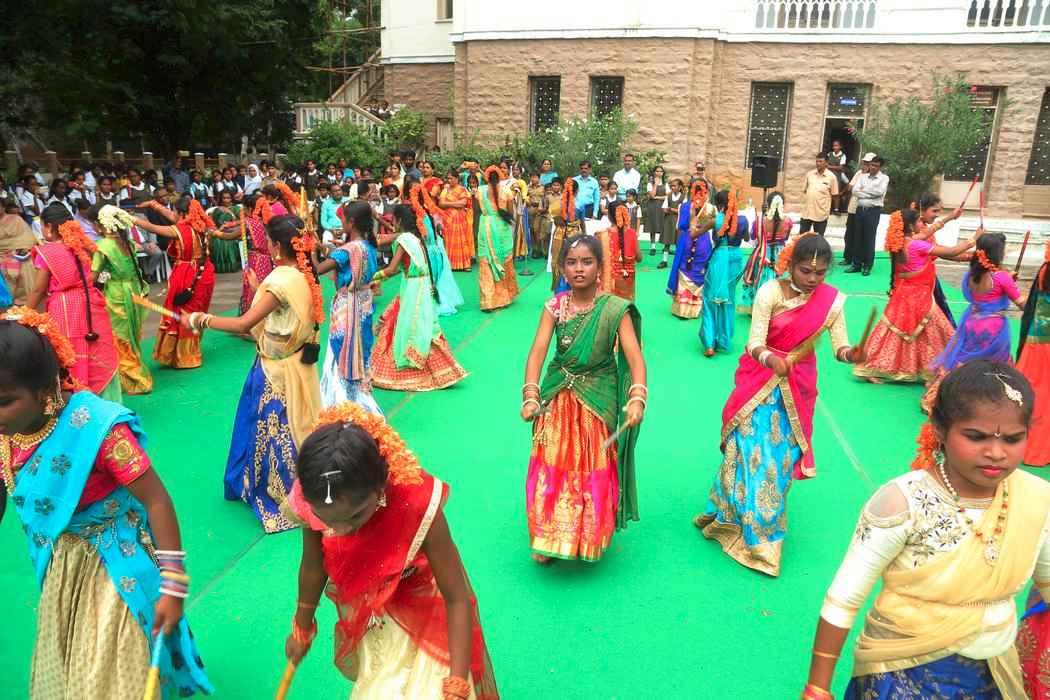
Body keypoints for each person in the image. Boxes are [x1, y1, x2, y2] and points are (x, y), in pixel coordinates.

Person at [802, 361, 1050, 699]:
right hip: (900, 672)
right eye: (975, 437)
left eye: (1013, 439)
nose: (996, 453)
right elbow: (844, 598)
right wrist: (818, 687)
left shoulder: (1036, 498)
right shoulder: (902, 502)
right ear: (940, 430)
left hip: (993, 674)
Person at [0, 309, 213, 698]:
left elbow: (157, 500)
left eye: (4, 401)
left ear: (45, 391)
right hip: (61, 566)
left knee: (111, 665)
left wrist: (173, 584)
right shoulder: (9, 430)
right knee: (74, 659)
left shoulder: (98, 430)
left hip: (114, 562)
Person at [281, 403, 500, 699]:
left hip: (429, 611)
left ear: (381, 488)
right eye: (330, 521)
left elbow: (457, 599)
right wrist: (302, 626)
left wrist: (457, 683)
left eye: (355, 516)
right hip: (378, 621)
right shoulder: (318, 496)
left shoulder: (417, 503)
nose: (342, 530)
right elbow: (313, 565)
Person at [695, 234, 864, 576]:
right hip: (759, 383)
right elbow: (754, 342)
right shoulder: (770, 292)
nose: (813, 279)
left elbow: (840, 348)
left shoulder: (831, 302)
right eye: (805, 271)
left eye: (820, 273)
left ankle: (757, 528)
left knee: (779, 463)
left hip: (797, 389)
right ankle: (745, 530)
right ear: (791, 265)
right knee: (748, 453)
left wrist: (853, 355)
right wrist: (772, 359)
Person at [182, 214, 323, 533]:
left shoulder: (280, 281)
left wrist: (200, 319)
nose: (267, 247)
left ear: (277, 246)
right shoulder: (302, 274)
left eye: (269, 242)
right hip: (295, 363)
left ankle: (282, 494)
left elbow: (244, 324)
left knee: (274, 430)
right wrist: (259, 289)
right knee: (294, 426)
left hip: (276, 370)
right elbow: (284, 311)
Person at [521, 234, 645, 563]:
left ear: (599, 267)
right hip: (557, 395)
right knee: (553, 464)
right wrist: (531, 394)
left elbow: (635, 358)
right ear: (562, 268)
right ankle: (550, 538)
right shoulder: (554, 307)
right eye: (572, 262)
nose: (579, 269)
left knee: (591, 465)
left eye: (587, 262)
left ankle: (587, 538)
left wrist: (637, 397)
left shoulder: (615, 309)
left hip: (597, 398)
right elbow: (537, 352)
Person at [854, 200, 973, 384]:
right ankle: (936, 370)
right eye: (918, 221)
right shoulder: (917, 245)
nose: (922, 224)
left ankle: (873, 366)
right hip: (919, 297)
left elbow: (926, 232)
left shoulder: (902, 242)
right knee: (936, 330)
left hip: (905, 294)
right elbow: (951, 252)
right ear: (910, 226)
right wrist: (974, 240)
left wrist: (950, 217)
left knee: (895, 332)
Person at [921, 232, 1025, 413]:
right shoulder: (1001, 278)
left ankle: (950, 394)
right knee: (991, 365)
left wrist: (1007, 281)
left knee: (966, 361)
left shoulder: (971, 274)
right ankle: (985, 400)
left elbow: (984, 291)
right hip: (993, 329)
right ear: (998, 253)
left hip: (971, 322)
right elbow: (1022, 303)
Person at [27, 204, 121, 400]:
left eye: (42, 226)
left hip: (65, 307)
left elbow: (38, 289)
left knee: (69, 352)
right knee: (95, 348)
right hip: (89, 301)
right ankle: (106, 402)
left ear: (49, 226)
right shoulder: (82, 245)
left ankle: (77, 401)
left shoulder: (49, 252)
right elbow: (96, 274)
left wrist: (24, 312)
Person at [369, 204, 468, 391]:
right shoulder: (415, 239)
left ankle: (413, 370)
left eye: (393, 220)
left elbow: (391, 269)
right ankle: (441, 370)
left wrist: (370, 279)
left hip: (413, 290)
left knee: (411, 328)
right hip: (421, 286)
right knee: (424, 326)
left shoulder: (404, 239)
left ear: (399, 220)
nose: (392, 224)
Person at [130, 197, 217, 369]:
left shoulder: (181, 230)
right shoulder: (201, 225)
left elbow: (154, 228)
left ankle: (186, 357)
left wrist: (131, 219)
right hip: (205, 274)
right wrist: (154, 205)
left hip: (187, 274)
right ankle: (187, 353)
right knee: (195, 311)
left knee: (182, 311)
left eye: (175, 211)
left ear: (182, 213)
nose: (173, 214)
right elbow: (171, 216)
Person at [314, 201, 382, 414]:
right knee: (361, 348)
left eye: (342, 220)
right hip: (364, 302)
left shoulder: (348, 249)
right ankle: (359, 398)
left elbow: (318, 269)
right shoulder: (369, 245)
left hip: (348, 305)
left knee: (341, 349)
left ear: (351, 222)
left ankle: (344, 404)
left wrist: (312, 251)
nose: (340, 223)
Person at [92, 205, 154, 395]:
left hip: (117, 294)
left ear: (102, 224)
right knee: (130, 335)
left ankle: (136, 379)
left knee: (120, 337)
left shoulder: (103, 245)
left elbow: (93, 276)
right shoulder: (127, 242)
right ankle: (131, 375)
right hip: (133, 290)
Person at [700, 190, 748, 356]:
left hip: (719, 258)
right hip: (736, 259)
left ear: (719, 205)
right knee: (728, 299)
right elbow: (746, 238)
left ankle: (709, 343)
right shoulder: (743, 220)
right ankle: (724, 341)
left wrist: (693, 218)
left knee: (710, 299)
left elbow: (694, 233)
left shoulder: (715, 220)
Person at [406, 177, 464, 316]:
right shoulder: (418, 211)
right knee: (432, 279)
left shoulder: (423, 211)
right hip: (430, 250)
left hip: (429, 250)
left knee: (432, 279)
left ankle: (432, 302)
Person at [1016, 245, 1050, 467]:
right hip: (1042, 344)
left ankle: (1021, 443)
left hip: (1036, 342)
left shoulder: (1045, 267)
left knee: (1034, 391)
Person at [666, 181, 715, 319]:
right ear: (706, 192)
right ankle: (697, 308)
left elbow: (680, 226)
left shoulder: (684, 206)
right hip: (703, 242)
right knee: (700, 270)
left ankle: (683, 308)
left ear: (690, 191)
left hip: (686, 240)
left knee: (684, 268)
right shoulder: (711, 208)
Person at [475, 166, 520, 311]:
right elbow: (511, 212)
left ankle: (488, 301)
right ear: (500, 177)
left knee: (486, 261)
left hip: (484, 227)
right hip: (501, 228)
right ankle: (504, 298)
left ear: (486, 178)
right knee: (503, 260)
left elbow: (477, 211)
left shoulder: (480, 190)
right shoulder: (506, 191)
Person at [739, 192, 792, 314]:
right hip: (780, 254)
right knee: (780, 280)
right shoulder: (788, 221)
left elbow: (753, 238)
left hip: (763, 253)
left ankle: (760, 309)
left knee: (761, 279)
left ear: (768, 204)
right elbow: (785, 238)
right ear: (783, 204)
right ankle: (778, 309)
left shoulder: (760, 221)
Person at [847, 154, 890, 276]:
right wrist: (869, 193)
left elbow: (879, 192)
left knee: (869, 239)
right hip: (860, 210)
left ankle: (867, 265)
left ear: (880, 167)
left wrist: (863, 191)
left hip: (873, 211)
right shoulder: (863, 176)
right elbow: (854, 191)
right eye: (871, 165)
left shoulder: (884, 178)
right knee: (858, 237)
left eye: (876, 166)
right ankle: (856, 264)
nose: (873, 167)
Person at [600, 200, 641, 301]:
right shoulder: (632, 233)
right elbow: (639, 258)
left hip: (609, 281)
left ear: (609, 216)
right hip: (627, 279)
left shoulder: (602, 235)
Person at [546, 178, 581, 293]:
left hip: (559, 236)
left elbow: (555, 220)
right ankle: (574, 290)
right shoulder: (580, 205)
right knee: (574, 261)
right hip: (574, 236)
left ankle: (560, 291)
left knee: (559, 261)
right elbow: (582, 222)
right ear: (577, 191)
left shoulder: (556, 204)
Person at [0, 205, 38, 305]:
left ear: (3, 207)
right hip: (1, 254)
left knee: (25, 263)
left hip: (19, 252)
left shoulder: (16, 219)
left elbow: (27, 237)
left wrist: (21, 249)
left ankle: (26, 300)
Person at [439, 170, 475, 271]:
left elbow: (463, 204)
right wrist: (455, 204)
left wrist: (448, 204)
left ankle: (465, 264)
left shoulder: (462, 189)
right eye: (448, 178)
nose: (449, 180)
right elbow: (441, 204)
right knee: (449, 241)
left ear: (457, 178)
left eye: (451, 178)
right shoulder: (445, 190)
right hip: (448, 219)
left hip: (460, 219)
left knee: (462, 241)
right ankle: (450, 265)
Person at [838, 160, 870, 268]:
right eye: (863, 163)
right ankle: (848, 258)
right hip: (852, 208)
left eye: (867, 164)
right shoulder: (859, 173)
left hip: (863, 209)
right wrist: (858, 190)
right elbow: (850, 187)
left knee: (860, 236)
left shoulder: (873, 178)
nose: (864, 166)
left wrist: (858, 190)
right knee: (849, 235)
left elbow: (868, 192)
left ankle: (859, 260)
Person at [799, 153, 839, 236]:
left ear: (826, 163)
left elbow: (835, 195)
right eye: (817, 161)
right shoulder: (809, 174)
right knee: (802, 237)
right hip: (807, 213)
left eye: (820, 161)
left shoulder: (831, 177)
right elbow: (805, 191)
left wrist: (835, 209)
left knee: (818, 239)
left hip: (821, 214)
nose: (818, 163)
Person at [207, 189, 244, 273]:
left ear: (232, 198)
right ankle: (219, 268)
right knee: (217, 241)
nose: (226, 200)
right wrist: (218, 229)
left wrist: (232, 224)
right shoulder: (217, 210)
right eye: (224, 198)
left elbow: (243, 220)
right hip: (219, 232)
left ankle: (232, 266)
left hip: (234, 233)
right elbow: (212, 223)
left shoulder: (237, 209)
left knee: (227, 242)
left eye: (228, 198)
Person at [659, 178, 686, 269]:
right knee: (667, 241)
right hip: (668, 221)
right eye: (671, 186)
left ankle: (678, 262)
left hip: (679, 222)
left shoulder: (683, 197)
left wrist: (672, 209)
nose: (672, 187)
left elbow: (684, 211)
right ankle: (664, 261)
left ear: (680, 187)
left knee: (678, 242)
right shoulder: (669, 196)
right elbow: (664, 207)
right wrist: (666, 210)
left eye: (674, 186)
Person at [645, 165, 668, 256]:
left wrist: (657, 197)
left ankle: (665, 247)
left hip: (663, 206)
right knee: (653, 226)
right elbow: (651, 195)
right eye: (657, 171)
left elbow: (668, 196)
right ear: (654, 172)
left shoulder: (666, 184)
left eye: (661, 171)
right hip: (652, 206)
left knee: (664, 226)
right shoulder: (650, 184)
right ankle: (653, 247)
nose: (659, 173)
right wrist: (655, 184)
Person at [527, 172, 548, 260]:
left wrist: (543, 208)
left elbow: (546, 198)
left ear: (539, 178)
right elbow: (525, 198)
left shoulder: (543, 188)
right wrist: (528, 202)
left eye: (535, 177)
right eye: (532, 177)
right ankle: (535, 249)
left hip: (540, 212)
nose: (533, 179)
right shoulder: (528, 188)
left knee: (538, 230)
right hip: (530, 211)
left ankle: (542, 250)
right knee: (532, 230)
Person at [826, 139, 849, 213]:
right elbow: (826, 164)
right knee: (828, 192)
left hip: (838, 176)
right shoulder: (829, 154)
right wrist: (832, 167)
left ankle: (836, 209)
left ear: (840, 147)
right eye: (833, 146)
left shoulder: (843, 156)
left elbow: (841, 168)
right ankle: (828, 208)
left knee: (836, 193)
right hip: (829, 176)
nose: (834, 147)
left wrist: (830, 166)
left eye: (836, 146)